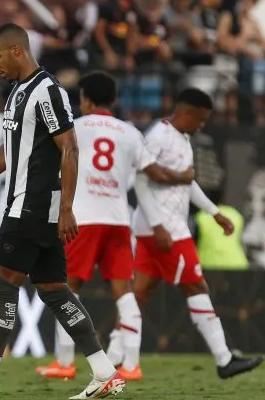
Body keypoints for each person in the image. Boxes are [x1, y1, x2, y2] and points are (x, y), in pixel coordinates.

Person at [0, 24, 125, 400]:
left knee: (4, 286)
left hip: (31, 206)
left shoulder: (47, 91)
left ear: (17, 51)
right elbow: (11, 150)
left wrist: (68, 208)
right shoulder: (17, 93)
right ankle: (105, 371)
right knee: (55, 291)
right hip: (34, 207)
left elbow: (70, 149)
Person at [35, 71, 195, 381]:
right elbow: (156, 174)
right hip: (119, 221)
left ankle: (65, 362)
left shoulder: (73, 128)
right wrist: (183, 177)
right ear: (113, 100)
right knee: (124, 292)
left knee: (66, 290)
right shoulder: (130, 133)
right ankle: (132, 365)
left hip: (82, 218)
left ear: (86, 100)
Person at [123, 88, 265, 379]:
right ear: (186, 112)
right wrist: (159, 225)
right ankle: (224, 359)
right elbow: (140, 182)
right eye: (200, 120)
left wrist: (214, 213)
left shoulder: (183, 139)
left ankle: (119, 359)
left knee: (139, 294)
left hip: (156, 228)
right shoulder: (158, 137)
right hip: (167, 230)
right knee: (197, 288)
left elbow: (187, 184)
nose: (202, 126)